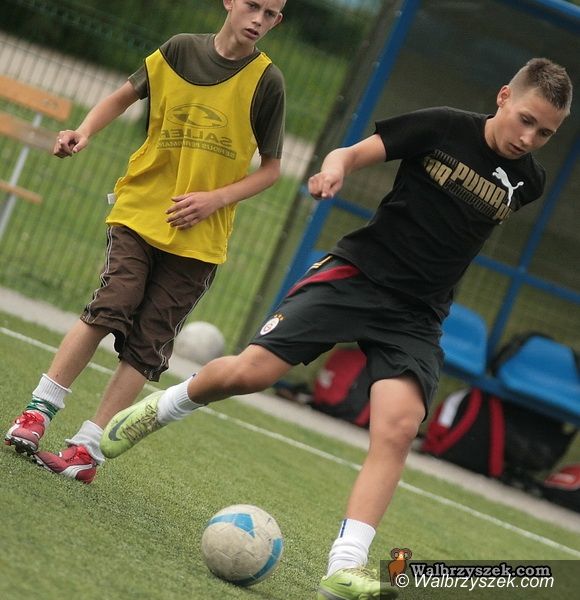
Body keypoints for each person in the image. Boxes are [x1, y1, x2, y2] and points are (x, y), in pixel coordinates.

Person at [103, 57, 572, 599]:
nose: (529, 138)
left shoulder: (529, 182)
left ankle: (344, 568)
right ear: (503, 96)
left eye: (545, 133)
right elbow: (349, 153)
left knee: (398, 429)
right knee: (250, 373)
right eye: (526, 119)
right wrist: (333, 171)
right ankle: (165, 406)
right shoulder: (442, 126)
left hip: (417, 316)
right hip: (358, 277)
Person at [4, 0, 286, 483]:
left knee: (148, 344)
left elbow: (272, 170)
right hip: (140, 211)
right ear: (230, 2)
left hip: (199, 239)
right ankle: (38, 412)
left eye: (272, 14)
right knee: (111, 304)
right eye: (252, 6)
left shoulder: (268, 82)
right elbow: (121, 97)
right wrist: (84, 131)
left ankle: (87, 450)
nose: (259, 19)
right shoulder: (179, 50)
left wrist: (215, 199)